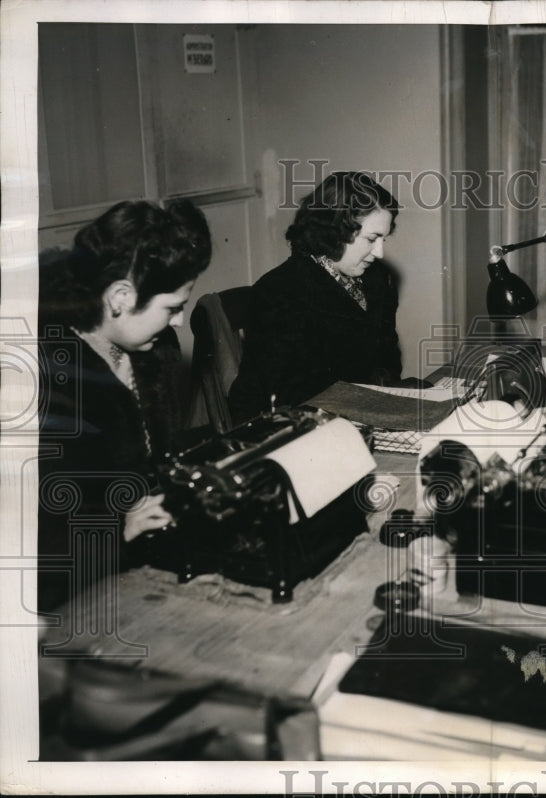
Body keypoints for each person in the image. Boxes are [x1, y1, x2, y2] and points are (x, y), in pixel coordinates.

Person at [37, 200, 212, 612]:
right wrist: (120, 529)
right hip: (68, 596)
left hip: (139, 567)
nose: (178, 323)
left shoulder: (151, 351)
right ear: (119, 296)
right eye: (173, 307)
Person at [228, 171, 404, 423]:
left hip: (359, 418)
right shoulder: (280, 291)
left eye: (384, 239)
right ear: (334, 230)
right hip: (289, 426)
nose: (379, 253)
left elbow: (388, 361)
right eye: (372, 239)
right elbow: (288, 396)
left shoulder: (377, 281)